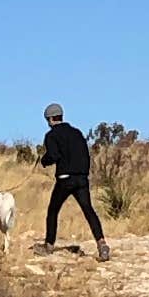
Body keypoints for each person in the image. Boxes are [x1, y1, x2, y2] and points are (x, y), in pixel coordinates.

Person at [38, 104, 109, 258]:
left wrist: (44, 160)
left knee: (53, 210)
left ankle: (49, 245)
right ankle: (101, 243)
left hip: (65, 179)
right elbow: (86, 154)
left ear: (50, 119)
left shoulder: (51, 136)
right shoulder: (77, 133)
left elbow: (54, 156)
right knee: (88, 210)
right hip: (82, 178)